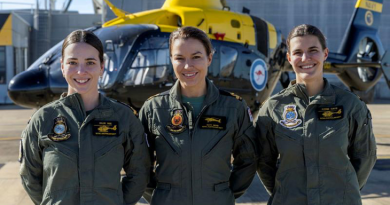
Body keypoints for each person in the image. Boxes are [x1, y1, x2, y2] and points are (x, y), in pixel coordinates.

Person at [19, 30, 150, 205]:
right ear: (62, 67)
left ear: (102, 66)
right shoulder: (43, 119)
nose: (81, 71)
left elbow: (139, 173)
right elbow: (30, 177)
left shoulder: (123, 118)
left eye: (90, 62)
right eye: (72, 62)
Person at [256, 24, 377, 205]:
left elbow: (365, 157)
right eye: (298, 52)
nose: (305, 58)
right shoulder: (274, 108)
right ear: (289, 58)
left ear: (325, 54)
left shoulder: (350, 105)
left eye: (313, 50)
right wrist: (286, 193)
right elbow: (264, 162)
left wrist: (343, 191)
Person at [139, 26, 257, 205]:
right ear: (171, 60)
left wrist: (222, 194)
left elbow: (248, 160)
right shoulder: (153, 108)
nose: (188, 66)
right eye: (179, 58)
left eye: (196, 57)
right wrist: (162, 195)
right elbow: (139, 164)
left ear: (209, 58)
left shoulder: (233, 107)